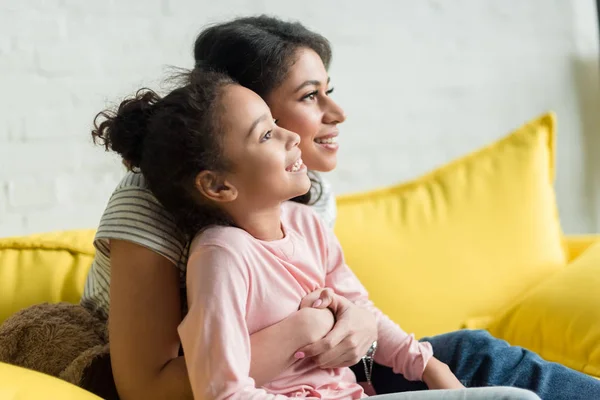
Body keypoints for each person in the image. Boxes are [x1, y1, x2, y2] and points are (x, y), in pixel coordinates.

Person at [83, 15, 600, 400]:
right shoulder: (152, 203)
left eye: (330, 90)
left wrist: (357, 321)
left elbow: (333, 296)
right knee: (477, 360)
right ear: (245, 102)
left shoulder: (306, 203)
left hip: (320, 375)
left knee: (472, 355)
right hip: (248, 383)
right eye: (310, 96)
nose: (337, 113)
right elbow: (148, 388)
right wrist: (310, 331)